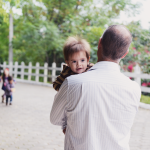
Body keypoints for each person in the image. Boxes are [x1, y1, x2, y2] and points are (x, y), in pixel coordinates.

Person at [50, 25, 141, 150]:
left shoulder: (72, 83)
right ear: (125, 54)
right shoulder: (134, 89)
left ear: (99, 43)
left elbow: (55, 119)